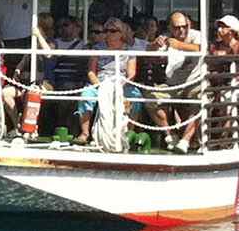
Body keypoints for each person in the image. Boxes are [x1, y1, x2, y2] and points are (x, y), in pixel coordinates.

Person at [150, 11, 207, 152]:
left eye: (184, 26)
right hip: (172, 86)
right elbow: (150, 54)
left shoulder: (197, 35)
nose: (181, 30)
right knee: (150, 99)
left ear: (189, 25)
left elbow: (202, 48)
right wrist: (154, 45)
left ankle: (185, 141)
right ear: (170, 27)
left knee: (202, 97)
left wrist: (179, 45)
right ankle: (170, 136)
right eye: (177, 27)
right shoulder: (167, 38)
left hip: (194, 83)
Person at [77, 17, 137, 145]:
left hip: (121, 83)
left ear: (121, 33)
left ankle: (128, 133)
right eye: (106, 30)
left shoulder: (129, 50)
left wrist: (119, 86)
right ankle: (85, 133)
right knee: (85, 96)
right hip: (100, 81)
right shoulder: (97, 48)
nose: (108, 33)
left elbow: (131, 74)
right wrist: (99, 86)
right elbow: (91, 71)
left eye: (112, 31)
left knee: (136, 97)